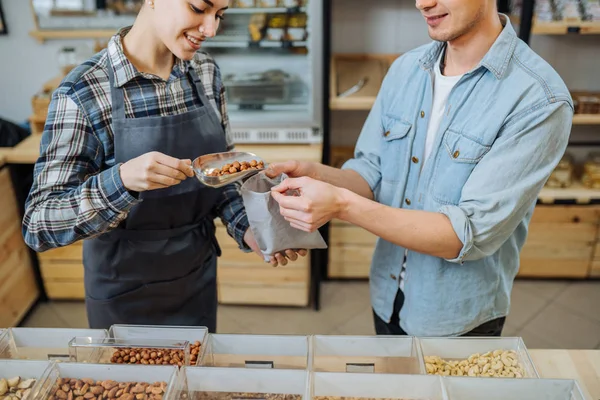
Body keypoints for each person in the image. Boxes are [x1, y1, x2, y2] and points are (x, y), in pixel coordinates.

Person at [266, 0, 573, 337]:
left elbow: (464, 235)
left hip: (457, 319)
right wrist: (316, 174)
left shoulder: (538, 99)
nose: (422, 3)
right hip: (387, 296)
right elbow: (372, 172)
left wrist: (340, 203)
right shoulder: (406, 69)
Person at [22, 0, 305, 331]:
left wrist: (249, 228)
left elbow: (221, 176)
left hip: (196, 279)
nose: (211, 29)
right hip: (122, 293)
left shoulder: (205, 72)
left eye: (219, 15)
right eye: (199, 8)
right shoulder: (83, 91)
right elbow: (39, 224)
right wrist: (121, 182)